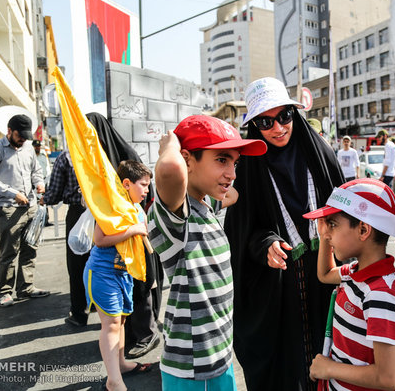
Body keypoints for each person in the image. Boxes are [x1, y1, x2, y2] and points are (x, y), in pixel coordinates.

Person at [224, 77, 345, 391]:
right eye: (265, 121)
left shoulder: (320, 154)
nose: (278, 128)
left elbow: (344, 209)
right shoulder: (247, 166)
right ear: (254, 126)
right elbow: (240, 231)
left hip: (325, 276)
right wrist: (264, 244)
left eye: (285, 117)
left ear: (296, 114)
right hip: (276, 289)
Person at [148, 114, 266, 390]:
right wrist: (170, 145)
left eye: (235, 162)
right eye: (222, 160)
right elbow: (169, 170)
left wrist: (220, 186)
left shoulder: (205, 207)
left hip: (218, 358)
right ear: (188, 160)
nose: (232, 173)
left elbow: (232, 194)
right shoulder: (177, 218)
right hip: (191, 369)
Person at [305, 178, 395, 391]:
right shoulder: (354, 272)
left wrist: (329, 369)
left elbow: (388, 378)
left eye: (332, 224)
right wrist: (325, 236)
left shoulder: (379, 294)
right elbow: (324, 274)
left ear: (363, 230)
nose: (327, 232)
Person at [86, 112, 162, 359]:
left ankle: (145, 335)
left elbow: (145, 193)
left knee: (143, 288)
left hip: (136, 236)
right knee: (117, 318)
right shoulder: (99, 160)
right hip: (118, 255)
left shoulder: (128, 163)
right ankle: (121, 359)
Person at [84, 160, 153, 391]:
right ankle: (113, 381)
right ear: (126, 183)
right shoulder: (112, 206)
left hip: (122, 274)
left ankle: (121, 365)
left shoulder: (136, 208)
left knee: (121, 320)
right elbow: (99, 240)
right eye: (143, 185)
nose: (146, 190)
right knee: (112, 324)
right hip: (103, 273)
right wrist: (132, 230)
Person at [0, 114, 49, 308]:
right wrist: (13, 193)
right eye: (19, 135)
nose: (22, 139)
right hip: (7, 208)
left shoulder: (29, 149)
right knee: (9, 251)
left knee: (30, 248)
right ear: (9, 131)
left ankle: (26, 287)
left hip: (31, 205)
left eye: (25, 135)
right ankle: (4, 292)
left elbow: (36, 172)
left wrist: (39, 184)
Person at [40, 149, 89, 326]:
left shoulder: (67, 157)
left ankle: (79, 313)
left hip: (78, 214)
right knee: (99, 262)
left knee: (77, 264)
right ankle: (102, 308)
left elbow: (54, 194)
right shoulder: (100, 151)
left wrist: (45, 199)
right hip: (101, 214)